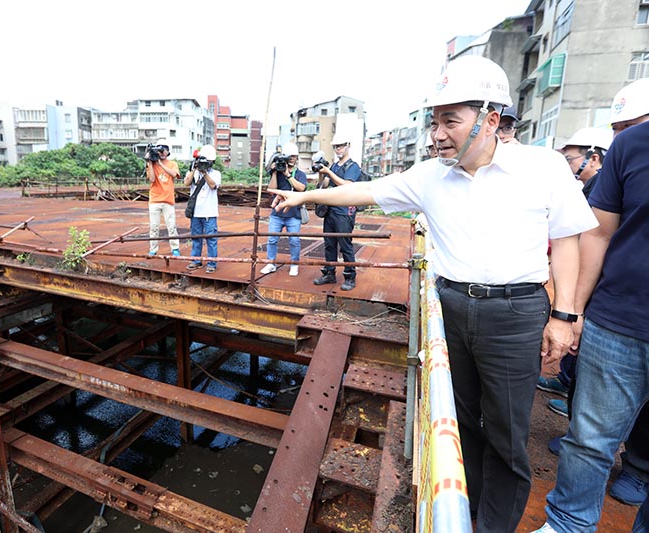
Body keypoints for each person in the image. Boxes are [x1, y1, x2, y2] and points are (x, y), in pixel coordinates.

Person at [270, 55, 598, 533]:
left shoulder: (542, 168)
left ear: (489, 119)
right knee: (460, 423)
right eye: (434, 122)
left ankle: (493, 526)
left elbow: (569, 239)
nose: (437, 134)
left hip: (515, 312)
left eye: (450, 120)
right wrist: (304, 196)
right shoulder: (429, 176)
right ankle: (465, 508)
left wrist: (565, 314)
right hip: (450, 309)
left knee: (507, 432)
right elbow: (363, 192)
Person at [533, 82, 649, 533]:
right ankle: (567, 523)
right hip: (619, 321)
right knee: (590, 439)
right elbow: (597, 234)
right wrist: (571, 312)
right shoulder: (633, 147)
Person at [540, 126, 614, 422]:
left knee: (579, 339)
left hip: (592, 274)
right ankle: (565, 381)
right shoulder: (588, 186)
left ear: (593, 157)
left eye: (571, 159)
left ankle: (577, 405)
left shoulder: (601, 186)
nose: (569, 165)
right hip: (582, 268)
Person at [312, 133, 362, 291]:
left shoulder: (353, 166)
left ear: (348, 145)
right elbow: (324, 184)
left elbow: (347, 185)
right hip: (330, 211)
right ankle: (329, 273)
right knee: (329, 245)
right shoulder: (334, 166)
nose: (338, 149)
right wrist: (321, 173)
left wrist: (329, 171)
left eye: (340, 146)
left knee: (345, 245)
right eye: (335, 146)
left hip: (344, 213)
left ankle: (350, 277)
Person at [260, 142, 307, 277]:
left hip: (294, 214)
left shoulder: (300, 174)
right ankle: (271, 263)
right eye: (290, 156)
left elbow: (301, 188)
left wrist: (287, 174)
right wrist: (274, 173)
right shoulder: (278, 173)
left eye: (294, 156)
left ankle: (294, 264)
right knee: (272, 240)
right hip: (277, 214)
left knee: (294, 241)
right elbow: (271, 189)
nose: (292, 159)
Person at [183, 144, 221, 273]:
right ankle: (196, 260)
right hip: (196, 212)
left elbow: (212, 185)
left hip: (209, 212)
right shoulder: (194, 172)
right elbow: (186, 183)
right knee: (196, 238)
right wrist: (194, 169)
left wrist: (204, 173)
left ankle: (212, 263)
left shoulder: (216, 174)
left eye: (208, 161)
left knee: (211, 239)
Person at [145, 138, 181, 257]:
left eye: (164, 150)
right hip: (155, 199)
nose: (162, 152)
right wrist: (150, 162)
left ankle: (175, 248)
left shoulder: (172, 164)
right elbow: (152, 179)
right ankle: (153, 249)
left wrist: (160, 163)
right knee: (154, 227)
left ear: (168, 151)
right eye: (160, 150)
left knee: (171, 226)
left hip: (168, 200)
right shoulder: (152, 164)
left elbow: (174, 174)